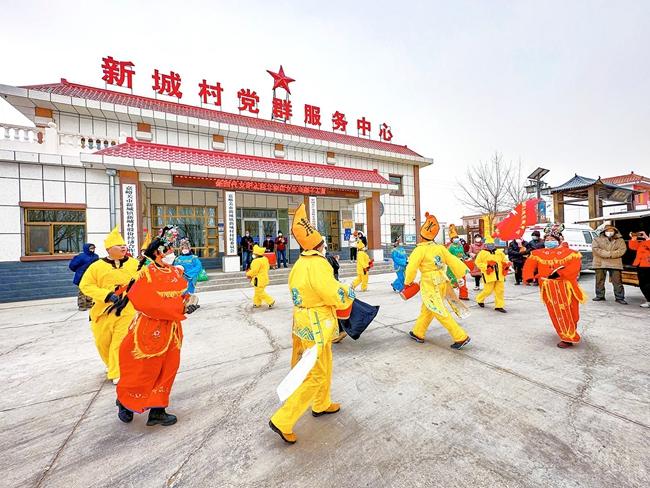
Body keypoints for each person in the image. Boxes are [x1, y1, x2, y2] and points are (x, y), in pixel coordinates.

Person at [269, 203, 355, 444]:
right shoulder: (318, 264)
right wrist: (347, 293)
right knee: (315, 374)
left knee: (324, 364)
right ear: (319, 245)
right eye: (324, 242)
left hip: (305, 321)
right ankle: (283, 419)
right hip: (318, 324)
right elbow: (331, 292)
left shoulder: (299, 264)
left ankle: (322, 403)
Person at [115, 226, 200, 426]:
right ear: (157, 253)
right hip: (149, 328)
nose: (171, 254)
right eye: (167, 251)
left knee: (168, 369)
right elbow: (146, 302)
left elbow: (181, 295)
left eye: (171, 250)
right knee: (142, 369)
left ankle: (158, 410)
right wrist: (177, 310)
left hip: (172, 330)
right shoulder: (146, 274)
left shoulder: (174, 272)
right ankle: (125, 403)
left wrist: (188, 304)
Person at [79, 227, 139, 384]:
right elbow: (86, 285)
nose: (123, 247)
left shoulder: (134, 264)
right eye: (119, 245)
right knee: (102, 342)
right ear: (109, 249)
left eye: (124, 245)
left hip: (126, 310)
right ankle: (111, 364)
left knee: (120, 342)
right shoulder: (96, 266)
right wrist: (106, 295)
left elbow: (146, 279)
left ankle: (117, 371)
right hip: (101, 312)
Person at [405, 212, 471, 349]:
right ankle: (418, 332)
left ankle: (460, 336)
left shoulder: (419, 250)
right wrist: (461, 272)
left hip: (430, 282)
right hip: (442, 280)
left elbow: (411, 268)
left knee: (438, 310)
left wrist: (408, 282)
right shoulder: (440, 248)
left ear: (421, 235)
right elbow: (453, 260)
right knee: (428, 308)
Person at [523, 224, 586, 348]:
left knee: (573, 312)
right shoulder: (537, 253)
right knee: (558, 312)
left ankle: (570, 328)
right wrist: (528, 276)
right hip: (549, 288)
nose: (549, 242)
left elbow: (575, 268)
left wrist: (560, 273)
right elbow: (529, 266)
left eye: (552, 240)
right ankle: (567, 336)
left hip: (567, 286)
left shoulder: (571, 253)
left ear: (559, 240)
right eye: (547, 240)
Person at [475, 218, 510, 313]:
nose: (490, 245)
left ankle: (499, 306)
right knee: (488, 290)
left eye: (491, 244)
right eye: (488, 244)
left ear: (494, 244)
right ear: (485, 245)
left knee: (500, 291)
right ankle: (479, 299)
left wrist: (506, 265)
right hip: (489, 275)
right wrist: (487, 266)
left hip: (500, 275)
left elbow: (505, 259)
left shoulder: (499, 252)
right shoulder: (482, 253)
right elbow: (478, 263)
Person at [592, 225, 627, 304]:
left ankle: (619, 297)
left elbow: (622, 250)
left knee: (617, 281)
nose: (609, 232)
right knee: (599, 280)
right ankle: (599, 296)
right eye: (607, 231)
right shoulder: (597, 239)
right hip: (600, 262)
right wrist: (608, 254)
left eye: (611, 231)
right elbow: (596, 249)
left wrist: (611, 254)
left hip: (615, 263)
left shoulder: (620, 240)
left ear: (615, 231)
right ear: (604, 231)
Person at [69, 243, 98, 311]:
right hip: (81, 276)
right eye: (90, 248)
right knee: (82, 291)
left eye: (93, 248)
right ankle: (82, 305)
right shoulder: (81, 256)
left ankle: (89, 303)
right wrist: (78, 271)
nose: (92, 250)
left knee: (91, 289)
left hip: (91, 276)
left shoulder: (95, 256)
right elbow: (72, 265)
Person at [447, 225, 469, 300]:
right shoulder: (450, 247)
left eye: (457, 237)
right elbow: (447, 256)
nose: (456, 239)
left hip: (461, 265)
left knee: (462, 280)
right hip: (453, 265)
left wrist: (465, 257)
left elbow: (463, 254)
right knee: (452, 281)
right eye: (454, 238)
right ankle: (450, 295)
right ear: (451, 239)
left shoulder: (460, 246)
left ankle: (463, 295)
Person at [629, 231, 650, 307]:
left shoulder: (648, 241)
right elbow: (633, 247)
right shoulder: (644, 242)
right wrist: (634, 238)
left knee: (648, 284)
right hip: (640, 265)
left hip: (648, 265)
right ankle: (648, 300)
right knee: (642, 284)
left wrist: (647, 238)